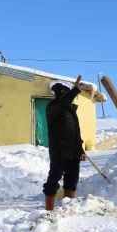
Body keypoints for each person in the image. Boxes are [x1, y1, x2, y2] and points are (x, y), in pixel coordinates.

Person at [43, 77, 87, 211]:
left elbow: (75, 132)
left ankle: (69, 209)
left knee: (72, 180)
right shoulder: (53, 107)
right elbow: (63, 102)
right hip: (59, 151)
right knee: (54, 178)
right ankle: (49, 210)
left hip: (73, 152)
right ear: (61, 94)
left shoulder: (71, 110)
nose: (70, 96)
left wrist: (80, 150)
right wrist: (75, 89)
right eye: (67, 93)